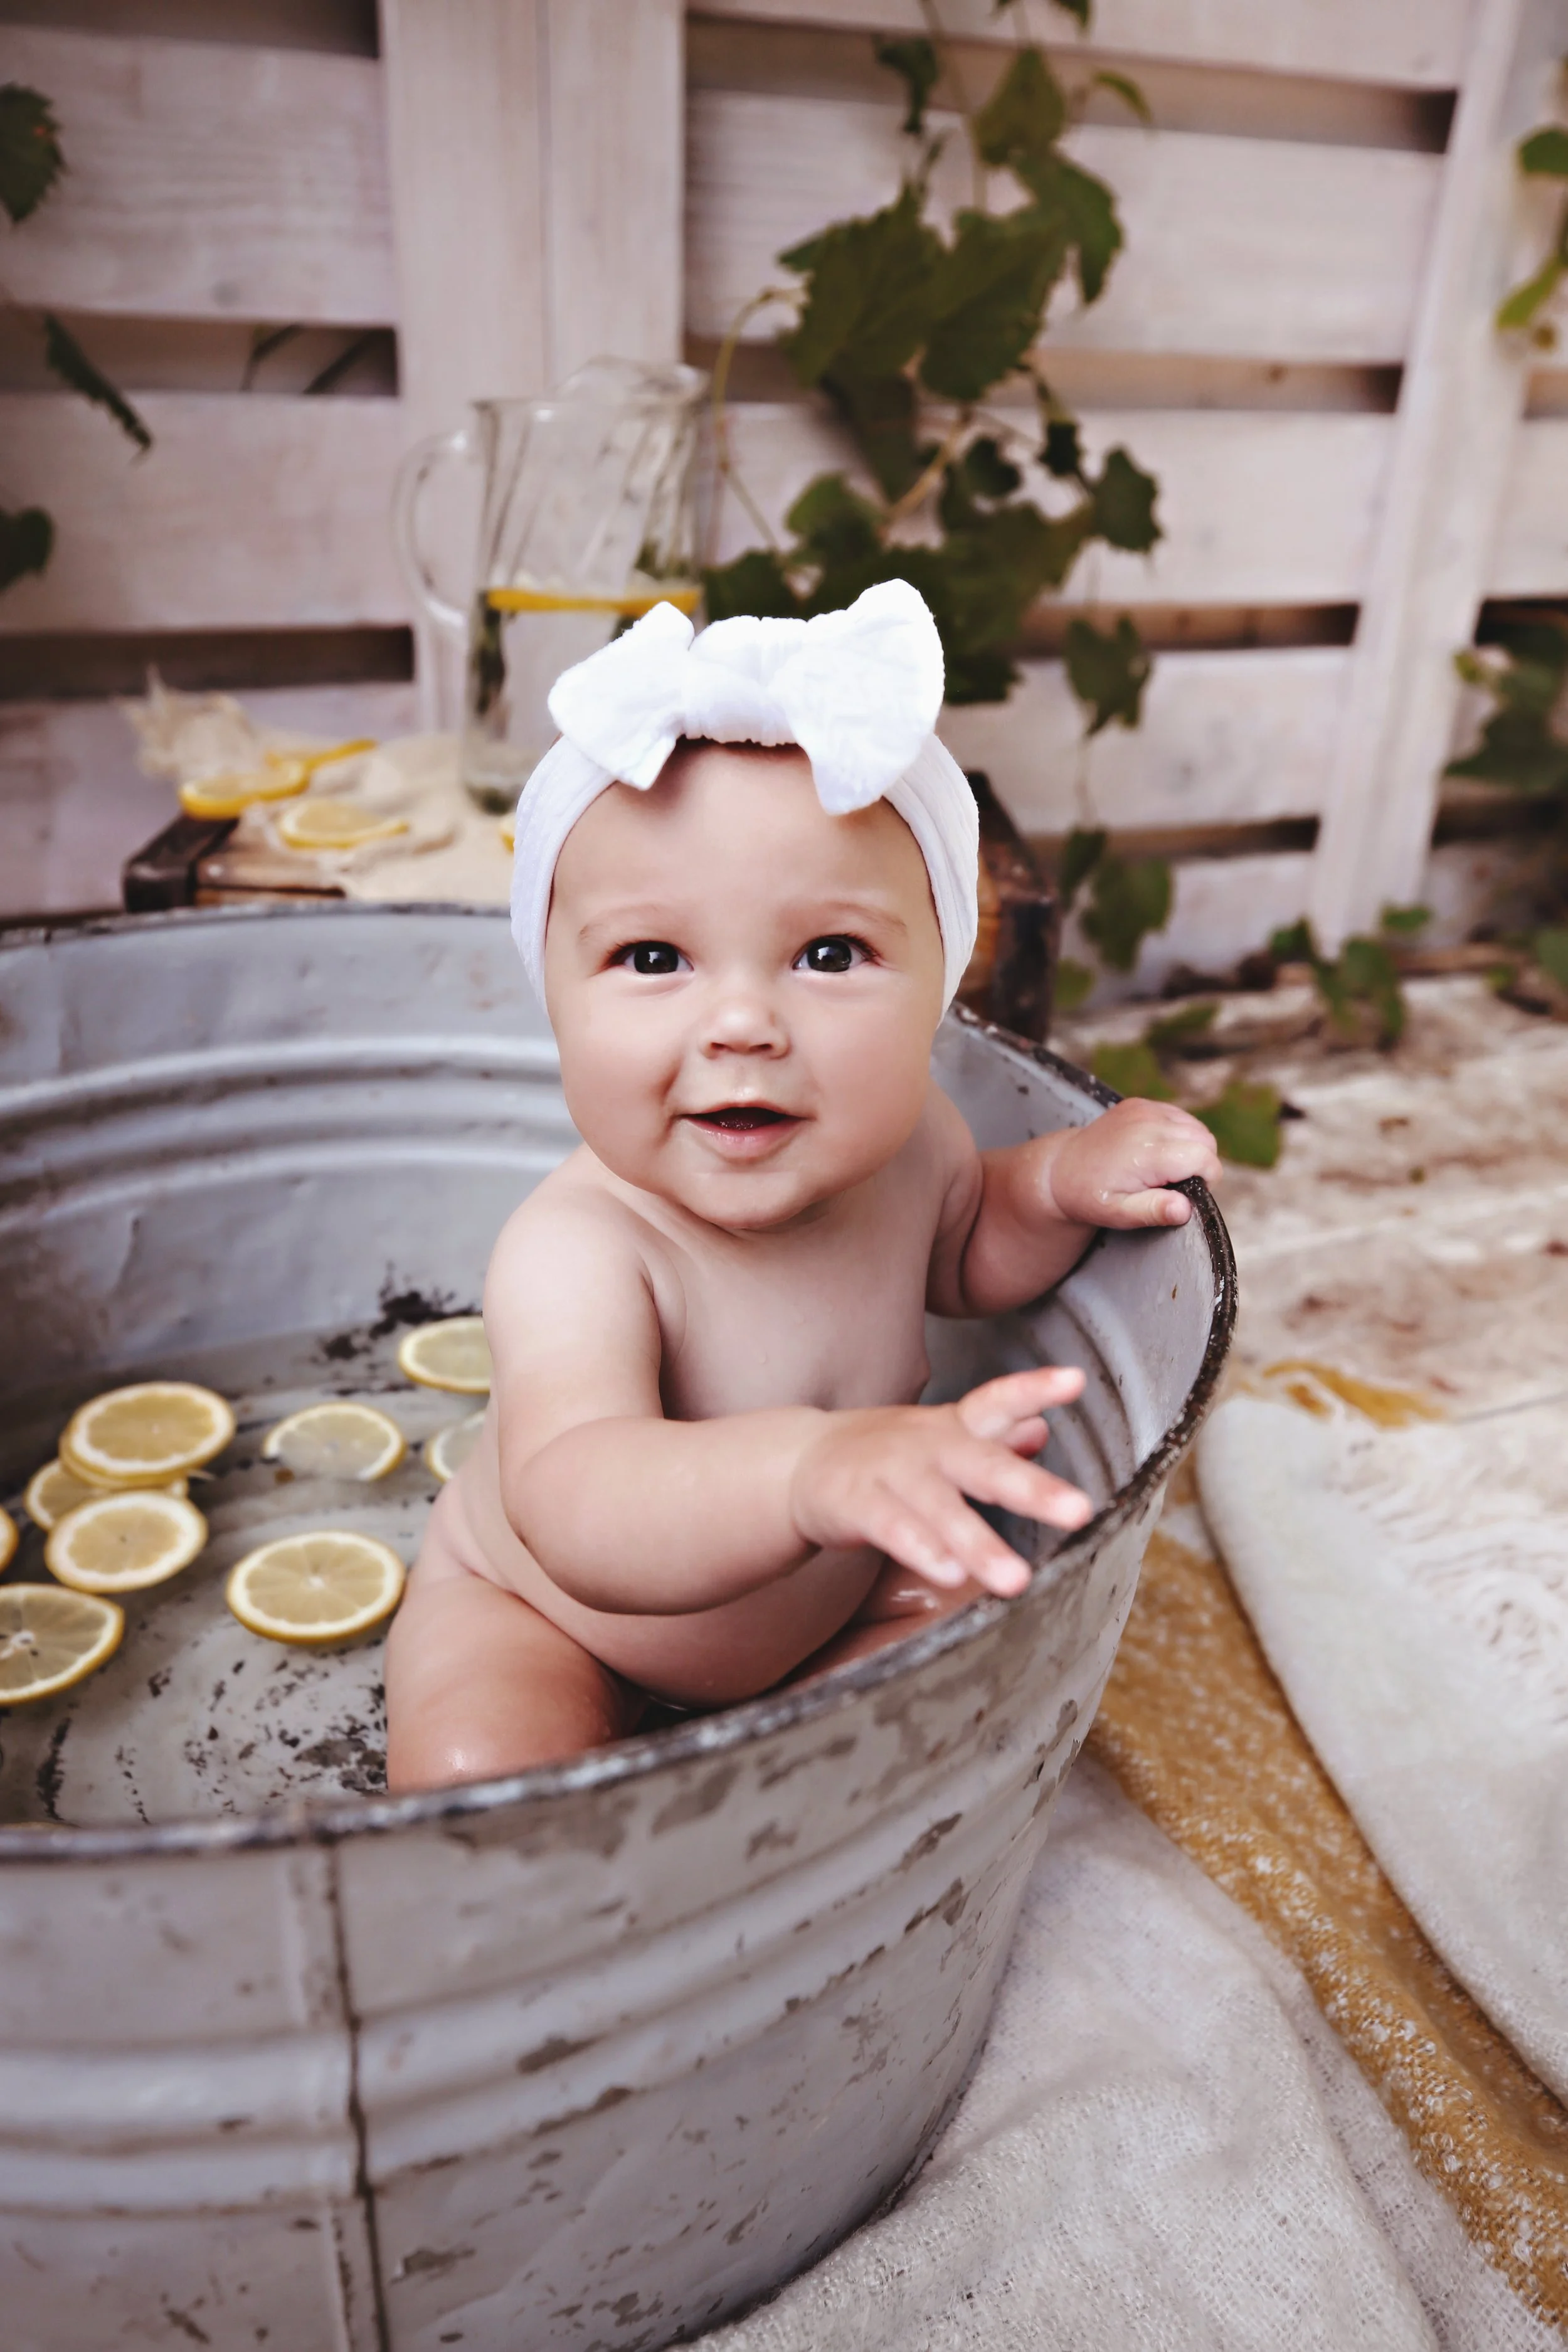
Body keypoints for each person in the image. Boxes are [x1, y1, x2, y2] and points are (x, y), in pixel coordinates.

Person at [385, 581, 1219, 1789]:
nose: (740, 1022)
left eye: (829, 955)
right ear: (552, 999)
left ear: (939, 985)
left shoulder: (907, 1145)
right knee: (477, 1766)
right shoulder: (580, 1248)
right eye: (653, 957)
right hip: (548, 1614)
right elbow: (578, 1500)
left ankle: (802, 1783)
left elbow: (966, 1247)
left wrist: (1050, 1181)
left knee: (966, 1632)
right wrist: (811, 1471)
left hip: (834, 1594)